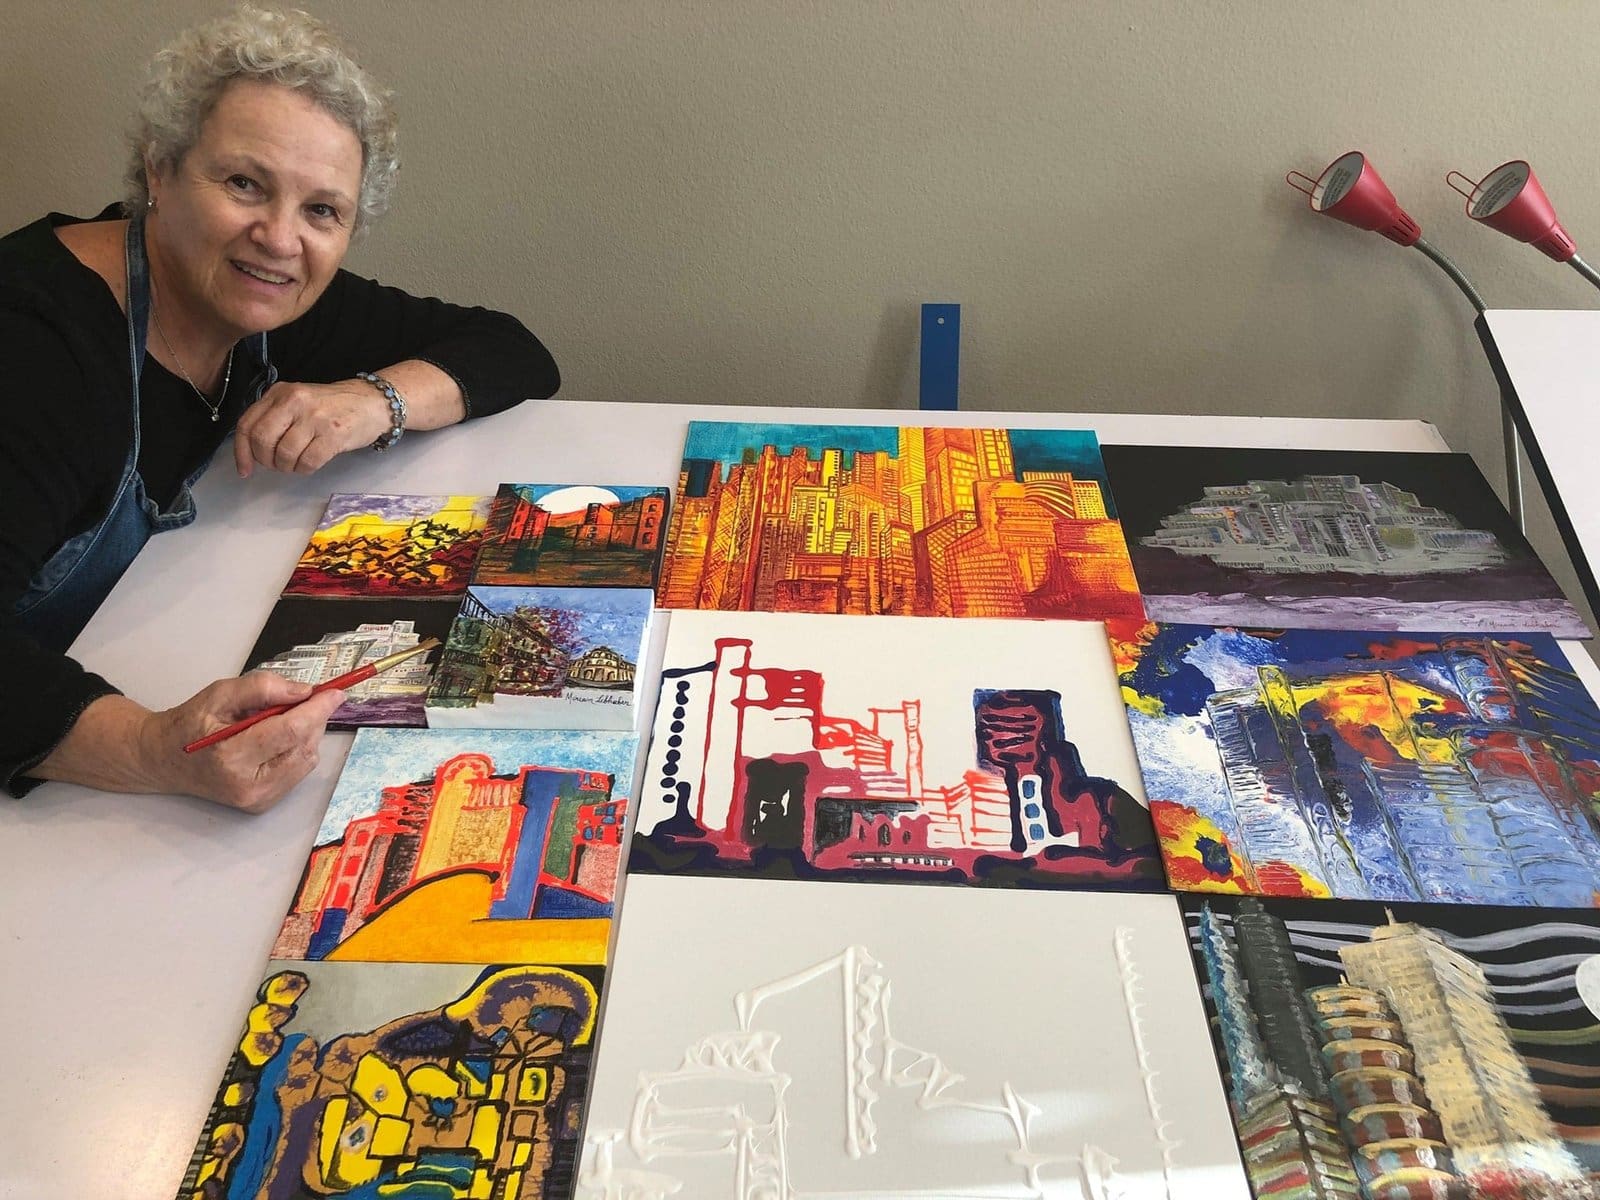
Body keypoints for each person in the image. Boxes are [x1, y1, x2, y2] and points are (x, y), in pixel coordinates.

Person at [0, 7, 558, 809]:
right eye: (244, 184)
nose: (280, 237)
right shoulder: (35, 346)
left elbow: (512, 350)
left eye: (321, 210)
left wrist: (375, 401)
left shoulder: (265, 295)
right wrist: (158, 748)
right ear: (158, 172)